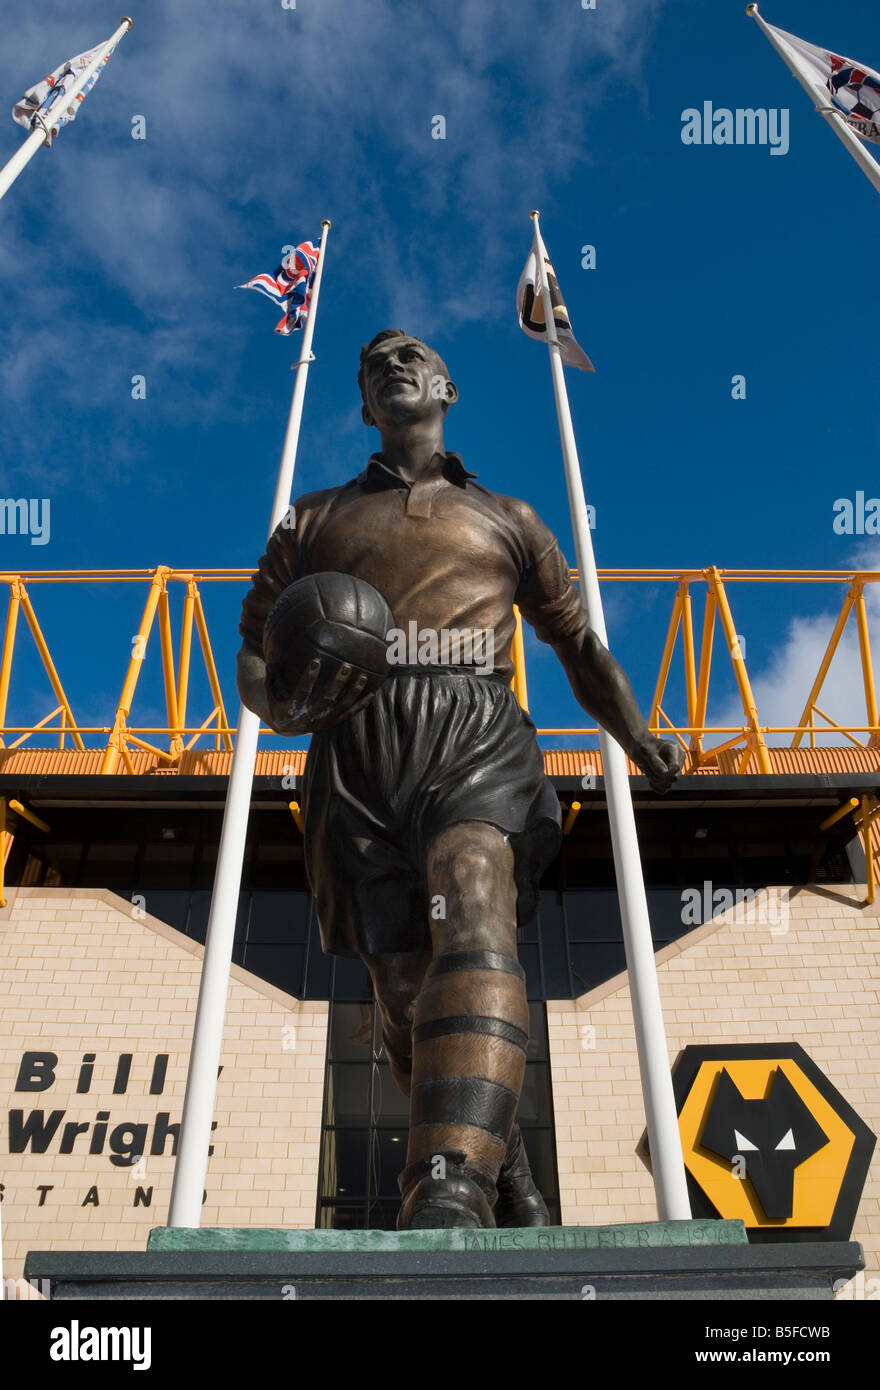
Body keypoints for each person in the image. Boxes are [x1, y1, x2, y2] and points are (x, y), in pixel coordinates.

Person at [237, 328, 683, 1229]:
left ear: (446, 387)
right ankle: (505, 1160)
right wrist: (282, 708)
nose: (394, 364)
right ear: (364, 406)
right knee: (406, 998)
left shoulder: (510, 517)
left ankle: (446, 1186)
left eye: (411, 357)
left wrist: (638, 736)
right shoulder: (311, 519)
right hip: (356, 747)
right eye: (375, 366)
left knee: (472, 901)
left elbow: (578, 646)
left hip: (472, 730)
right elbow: (253, 653)